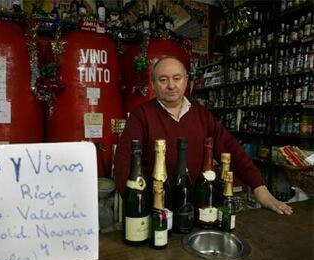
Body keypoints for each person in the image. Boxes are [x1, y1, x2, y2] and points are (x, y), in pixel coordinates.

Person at [114, 55, 293, 215]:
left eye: (177, 78)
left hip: (197, 207)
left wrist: (259, 188)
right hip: (156, 208)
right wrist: (138, 208)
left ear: (186, 81)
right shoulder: (142, 115)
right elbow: (123, 164)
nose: (171, 85)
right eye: (163, 79)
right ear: (153, 84)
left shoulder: (201, 114)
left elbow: (231, 149)